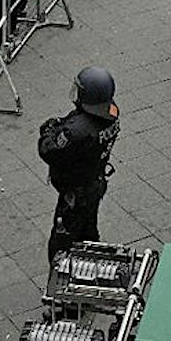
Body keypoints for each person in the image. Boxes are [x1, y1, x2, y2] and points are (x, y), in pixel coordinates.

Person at [38, 66, 119, 264]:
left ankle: (61, 283)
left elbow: (48, 149)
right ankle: (91, 269)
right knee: (89, 231)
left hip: (75, 193)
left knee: (62, 243)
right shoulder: (111, 114)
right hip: (95, 182)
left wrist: (50, 129)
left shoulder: (76, 132)